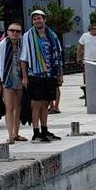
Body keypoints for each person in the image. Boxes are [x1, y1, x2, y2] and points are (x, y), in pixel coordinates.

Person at [19, 9, 63, 142]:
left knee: (46, 102)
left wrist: (59, 74)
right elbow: (24, 58)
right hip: (35, 74)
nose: (37, 21)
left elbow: (58, 55)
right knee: (37, 103)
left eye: (39, 18)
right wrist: (25, 77)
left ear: (44, 19)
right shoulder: (28, 36)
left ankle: (45, 129)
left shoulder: (52, 36)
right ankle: (36, 132)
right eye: (35, 19)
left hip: (50, 74)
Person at [0, 22, 26, 143]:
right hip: (7, 77)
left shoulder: (23, 44)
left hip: (20, 77)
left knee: (18, 106)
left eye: (18, 31)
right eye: (12, 30)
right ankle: (10, 135)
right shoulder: (2, 45)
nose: (15, 33)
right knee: (9, 107)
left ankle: (16, 133)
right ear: (7, 32)